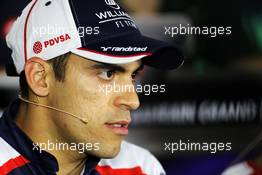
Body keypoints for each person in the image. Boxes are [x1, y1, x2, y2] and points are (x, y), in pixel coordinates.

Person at [0, 0, 183, 174]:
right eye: (107, 74)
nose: (133, 101)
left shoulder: (140, 167)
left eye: (133, 75)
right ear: (40, 78)